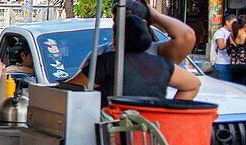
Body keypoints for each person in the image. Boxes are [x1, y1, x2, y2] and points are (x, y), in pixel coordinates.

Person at [69, 14, 199, 105]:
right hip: (149, 134)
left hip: (109, 133)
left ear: (116, 38)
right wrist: (170, 114)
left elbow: (70, 88)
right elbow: (193, 85)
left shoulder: (109, 61)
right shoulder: (163, 65)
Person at [213, 13, 235, 82]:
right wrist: (230, 41)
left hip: (230, 63)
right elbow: (221, 46)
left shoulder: (232, 32)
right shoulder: (220, 32)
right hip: (222, 64)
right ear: (227, 22)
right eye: (233, 23)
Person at [228, 20, 246, 85]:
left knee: (236, 86)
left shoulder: (231, 35)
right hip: (244, 64)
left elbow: (228, 49)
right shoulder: (244, 35)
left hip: (234, 64)